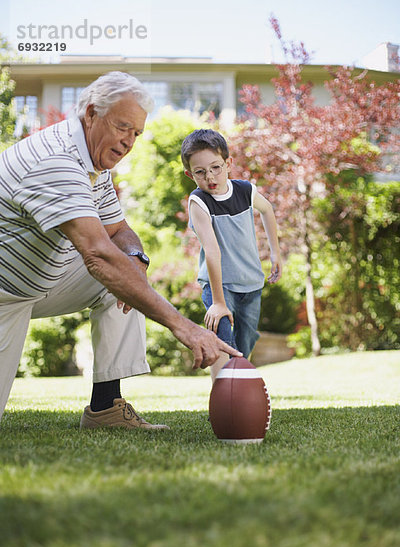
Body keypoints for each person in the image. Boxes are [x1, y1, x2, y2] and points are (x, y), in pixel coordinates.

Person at [0, 72, 241, 430]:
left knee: (126, 272)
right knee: (115, 272)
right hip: (5, 295)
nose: (129, 142)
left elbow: (118, 231)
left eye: (136, 134)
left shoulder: (93, 163)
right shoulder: (58, 161)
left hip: (37, 281)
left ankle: (106, 409)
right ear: (92, 114)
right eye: (122, 127)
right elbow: (98, 254)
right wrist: (185, 329)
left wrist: (136, 259)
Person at [181, 128, 282, 382]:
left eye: (216, 167)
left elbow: (267, 210)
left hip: (251, 284)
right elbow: (212, 250)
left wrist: (275, 254)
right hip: (220, 287)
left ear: (228, 164)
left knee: (242, 350)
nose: (210, 177)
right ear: (189, 174)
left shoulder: (245, 191)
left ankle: (238, 392)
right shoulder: (198, 202)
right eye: (200, 172)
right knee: (222, 346)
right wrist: (218, 302)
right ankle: (221, 402)